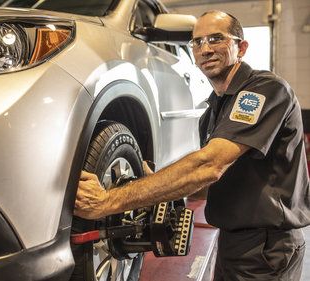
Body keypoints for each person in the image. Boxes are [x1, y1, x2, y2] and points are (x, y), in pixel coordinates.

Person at [75, 10, 310, 280]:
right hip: (234, 242)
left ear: (241, 47)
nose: (205, 49)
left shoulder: (265, 90)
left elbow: (209, 165)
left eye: (216, 39)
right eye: (197, 42)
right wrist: (157, 187)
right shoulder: (212, 111)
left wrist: (108, 201)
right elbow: (213, 181)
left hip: (268, 248)